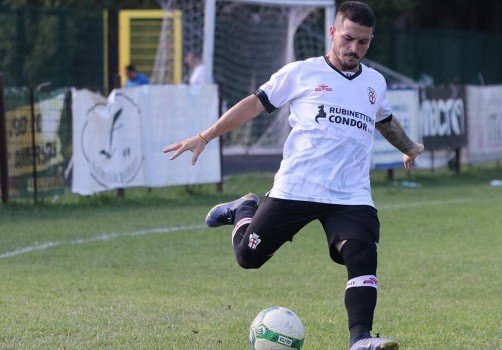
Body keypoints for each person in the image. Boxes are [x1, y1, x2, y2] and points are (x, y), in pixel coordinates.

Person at [163, 2, 424, 349]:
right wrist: (204, 136)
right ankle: (244, 208)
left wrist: (408, 147)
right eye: (348, 39)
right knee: (248, 257)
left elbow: (385, 121)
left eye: (363, 42)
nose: (354, 49)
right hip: (297, 188)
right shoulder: (302, 73)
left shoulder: (374, 82)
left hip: (350, 195)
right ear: (332, 33)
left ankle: (360, 339)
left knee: (361, 251)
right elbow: (255, 104)